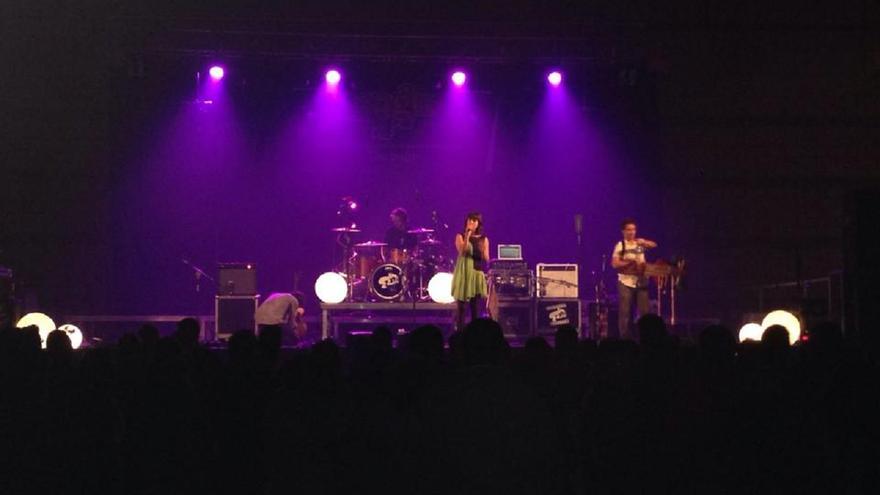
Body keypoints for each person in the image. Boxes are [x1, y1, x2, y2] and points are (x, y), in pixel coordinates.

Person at [610, 218, 657, 339]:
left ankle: (647, 338)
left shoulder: (639, 244)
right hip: (625, 282)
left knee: (644, 312)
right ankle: (625, 339)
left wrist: (645, 242)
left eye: (634, 229)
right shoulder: (621, 245)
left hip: (641, 281)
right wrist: (629, 263)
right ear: (623, 231)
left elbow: (654, 245)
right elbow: (614, 264)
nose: (632, 232)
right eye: (629, 230)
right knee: (625, 312)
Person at [451, 212, 489, 331]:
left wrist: (483, 251)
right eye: (469, 220)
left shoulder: (484, 239)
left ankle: (474, 333)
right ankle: (460, 332)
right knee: (461, 307)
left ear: (478, 223)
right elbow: (462, 251)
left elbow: (486, 258)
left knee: (475, 307)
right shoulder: (460, 236)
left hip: (477, 273)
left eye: (474, 221)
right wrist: (467, 235)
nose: (471, 223)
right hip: (464, 273)